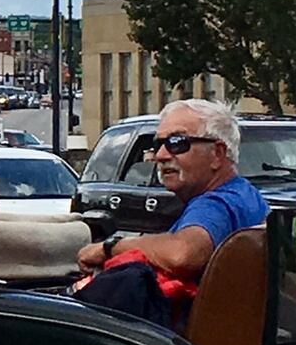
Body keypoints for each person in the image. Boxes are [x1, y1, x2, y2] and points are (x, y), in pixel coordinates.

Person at [75, 98, 268, 315]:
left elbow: (182, 254)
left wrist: (108, 248)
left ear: (217, 154)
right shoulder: (245, 194)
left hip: (186, 344)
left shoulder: (215, 204)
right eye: (159, 144)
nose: (161, 155)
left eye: (177, 143)